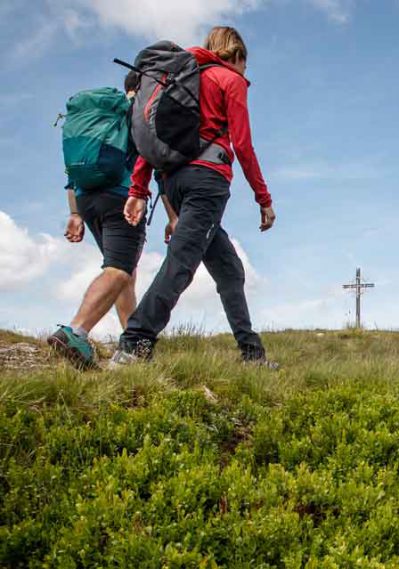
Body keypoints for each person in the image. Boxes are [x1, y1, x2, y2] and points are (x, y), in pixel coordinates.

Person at [109, 26, 277, 368]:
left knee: (229, 270)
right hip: (207, 182)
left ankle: (251, 354)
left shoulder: (180, 82)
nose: (246, 71)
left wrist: (138, 189)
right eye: (245, 63)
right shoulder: (230, 81)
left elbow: (152, 141)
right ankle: (134, 343)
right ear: (239, 56)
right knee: (181, 263)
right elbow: (243, 145)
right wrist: (264, 199)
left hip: (174, 182)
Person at [48, 72, 178, 369]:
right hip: (121, 197)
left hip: (87, 199)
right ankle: (75, 331)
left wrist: (75, 214)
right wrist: (173, 217)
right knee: (118, 270)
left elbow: (71, 175)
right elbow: (154, 169)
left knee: (125, 272)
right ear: (144, 88)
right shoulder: (137, 116)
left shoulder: (100, 119)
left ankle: (130, 345)